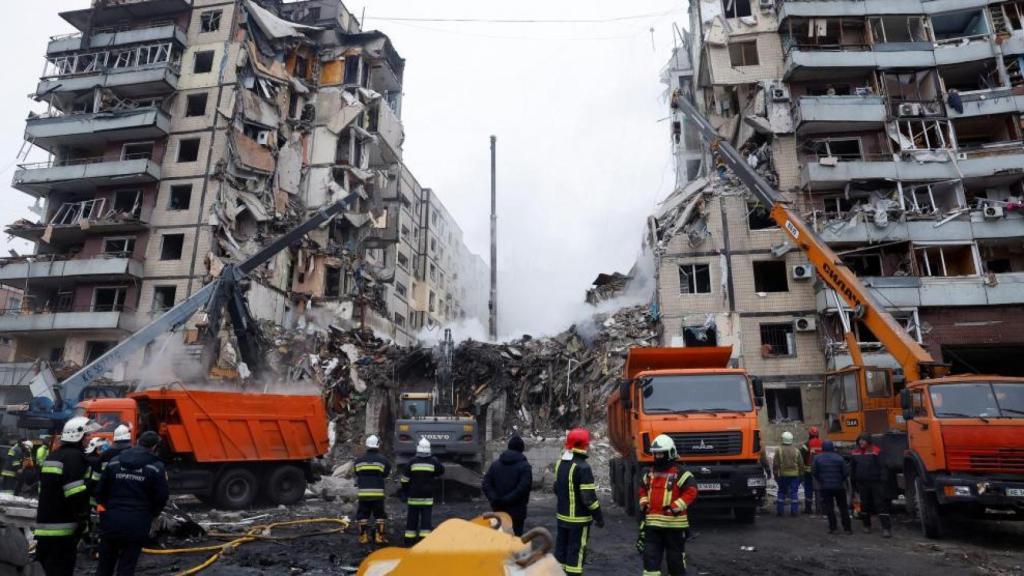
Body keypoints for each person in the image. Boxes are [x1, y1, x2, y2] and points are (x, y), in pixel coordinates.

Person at [95, 431, 169, 576]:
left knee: (104, 565)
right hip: (138, 522)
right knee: (127, 567)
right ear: (154, 447)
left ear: (138, 442)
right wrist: (152, 514)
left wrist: (104, 512)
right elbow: (161, 496)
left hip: (111, 521)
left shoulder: (115, 461)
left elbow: (100, 492)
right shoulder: (156, 467)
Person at [35, 417, 96, 576]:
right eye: (87, 435)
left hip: (44, 525)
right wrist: (83, 519)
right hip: (64, 528)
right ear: (77, 436)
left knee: (43, 569)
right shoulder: (76, 458)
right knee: (61, 569)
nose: (90, 438)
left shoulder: (53, 456)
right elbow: (75, 493)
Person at [638, 434, 698, 576]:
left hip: (674, 526)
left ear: (670, 453)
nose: (658, 456)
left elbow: (692, 491)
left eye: (661, 453)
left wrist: (675, 507)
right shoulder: (649, 473)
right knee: (650, 561)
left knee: (675, 561)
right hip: (653, 526)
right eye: (656, 453)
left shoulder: (681, 473)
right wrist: (644, 502)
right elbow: (642, 489)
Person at [553, 428, 603, 575]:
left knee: (561, 551)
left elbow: (556, 489)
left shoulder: (560, 464)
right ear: (583, 445)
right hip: (579, 520)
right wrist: (599, 517)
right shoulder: (583, 467)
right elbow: (589, 498)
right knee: (575, 554)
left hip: (562, 517)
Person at [482, 435, 533, 536]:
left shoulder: (495, 465)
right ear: (522, 449)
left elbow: (486, 484)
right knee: (516, 541)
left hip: (498, 510)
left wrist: (495, 499)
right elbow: (523, 488)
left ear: (508, 447)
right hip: (517, 513)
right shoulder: (525, 466)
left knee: (499, 539)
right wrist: (507, 500)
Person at [399, 438, 444, 545]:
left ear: (418, 449)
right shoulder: (433, 461)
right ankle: (424, 541)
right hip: (427, 497)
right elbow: (441, 471)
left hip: (413, 496)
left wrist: (405, 490)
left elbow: (404, 479)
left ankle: (409, 541)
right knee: (426, 520)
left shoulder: (411, 462)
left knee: (412, 519)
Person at [851, 434, 892, 538]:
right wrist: (853, 482)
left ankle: (886, 528)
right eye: (860, 441)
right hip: (862, 483)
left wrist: (883, 480)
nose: (861, 443)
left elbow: (883, 466)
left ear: (868, 441)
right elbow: (852, 468)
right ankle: (866, 525)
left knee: (880, 504)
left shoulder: (876, 451)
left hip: (875, 483)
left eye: (863, 441)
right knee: (864, 505)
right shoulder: (855, 453)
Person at [354, 434, 391, 545]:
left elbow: (357, 473)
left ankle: (363, 537)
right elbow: (385, 474)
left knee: (362, 515)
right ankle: (379, 537)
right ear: (377, 445)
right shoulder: (383, 460)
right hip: (377, 494)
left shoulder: (359, 460)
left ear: (367, 445)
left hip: (363, 494)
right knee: (379, 515)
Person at [812, 440, 852, 534]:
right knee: (843, 508)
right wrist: (840, 480)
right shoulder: (839, 458)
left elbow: (814, 472)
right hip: (839, 487)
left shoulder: (817, 458)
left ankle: (833, 528)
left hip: (825, 487)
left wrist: (821, 480)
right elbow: (846, 472)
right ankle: (847, 528)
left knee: (829, 508)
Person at [772, 431, 804, 517]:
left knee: (781, 492)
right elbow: (801, 464)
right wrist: (801, 475)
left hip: (783, 475)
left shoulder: (779, 450)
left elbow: (775, 464)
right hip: (795, 476)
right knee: (794, 493)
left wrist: (775, 475)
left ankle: (780, 511)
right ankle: (794, 512)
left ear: (783, 439)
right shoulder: (796, 450)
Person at [800, 426, 823, 515]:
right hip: (820, 471)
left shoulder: (807, 444)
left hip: (809, 471)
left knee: (808, 489)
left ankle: (808, 509)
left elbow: (801, 455)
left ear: (809, 434)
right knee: (820, 489)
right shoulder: (822, 443)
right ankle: (820, 508)